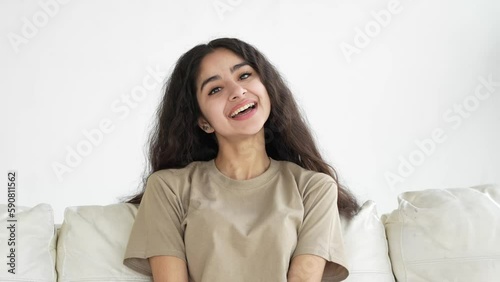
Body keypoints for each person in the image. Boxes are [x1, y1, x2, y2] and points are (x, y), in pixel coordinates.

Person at [122, 37, 359, 282]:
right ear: (203, 121)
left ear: (267, 87)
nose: (237, 92)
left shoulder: (315, 188)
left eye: (244, 76)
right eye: (215, 89)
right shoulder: (168, 188)